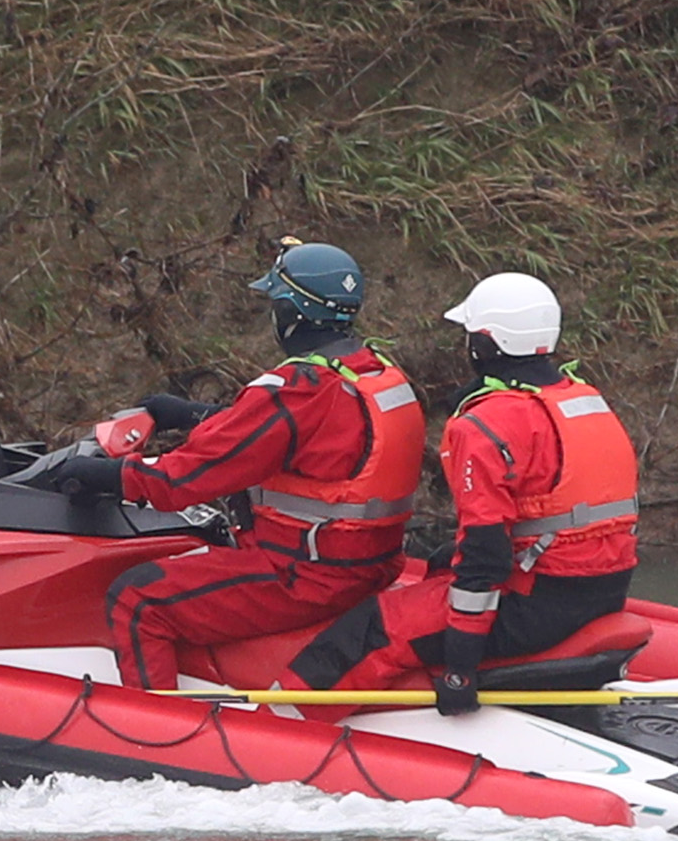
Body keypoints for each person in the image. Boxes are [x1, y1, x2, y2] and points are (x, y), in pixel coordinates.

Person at [29, 242, 424, 692]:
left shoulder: (297, 389)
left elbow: (184, 480)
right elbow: (286, 434)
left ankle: (150, 739)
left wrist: (112, 477)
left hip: (306, 575)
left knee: (138, 599)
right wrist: (190, 413)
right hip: (370, 564)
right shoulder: (371, 373)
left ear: (290, 313)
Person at [285, 270, 640, 713]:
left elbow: (486, 557)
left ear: (487, 343)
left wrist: (461, 665)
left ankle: (286, 720)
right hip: (601, 589)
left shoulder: (484, 424)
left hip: (534, 603)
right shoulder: (583, 399)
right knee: (438, 567)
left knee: (370, 627)